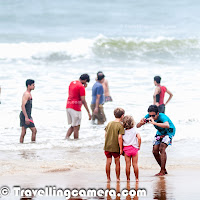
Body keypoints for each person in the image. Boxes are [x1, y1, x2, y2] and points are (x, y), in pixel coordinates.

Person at [136, 105, 176, 176]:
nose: (151, 117)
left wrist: (154, 123)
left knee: (162, 148)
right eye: (150, 115)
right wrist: (141, 123)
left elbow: (167, 125)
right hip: (160, 132)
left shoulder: (162, 116)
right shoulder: (148, 115)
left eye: (153, 115)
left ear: (158, 113)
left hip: (169, 131)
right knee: (155, 150)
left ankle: (162, 171)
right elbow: (137, 126)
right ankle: (163, 169)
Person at [65, 74, 91, 139]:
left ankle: (66, 138)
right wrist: (88, 112)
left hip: (68, 106)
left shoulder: (72, 83)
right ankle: (76, 143)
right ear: (85, 80)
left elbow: (75, 93)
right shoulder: (81, 87)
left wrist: (83, 88)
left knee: (73, 125)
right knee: (76, 127)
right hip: (75, 108)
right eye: (86, 82)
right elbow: (83, 100)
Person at [104, 108, 125, 182]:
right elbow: (120, 137)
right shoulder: (120, 125)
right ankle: (118, 178)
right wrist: (121, 149)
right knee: (117, 162)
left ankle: (108, 178)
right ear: (122, 116)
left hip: (107, 146)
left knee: (108, 162)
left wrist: (107, 141)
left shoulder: (109, 123)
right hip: (115, 147)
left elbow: (105, 134)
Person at [122, 115, 141, 182]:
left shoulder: (123, 131)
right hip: (134, 148)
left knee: (127, 165)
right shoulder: (135, 130)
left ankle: (128, 179)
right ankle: (137, 179)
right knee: (135, 164)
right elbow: (139, 138)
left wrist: (121, 149)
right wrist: (139, 146)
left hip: (126, 149)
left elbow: (121, 140)